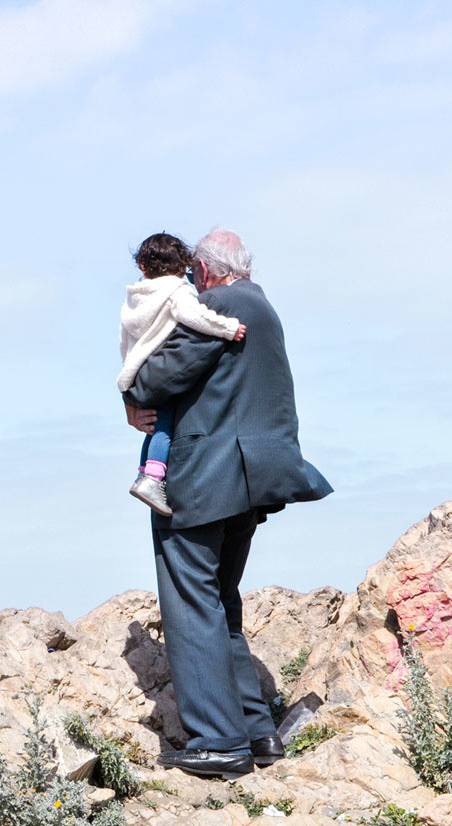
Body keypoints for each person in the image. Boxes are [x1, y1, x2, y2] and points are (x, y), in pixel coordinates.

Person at [122, 228, 332, 779]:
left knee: (191, 601)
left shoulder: (216, 305)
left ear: (207, 271)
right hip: (254, 479)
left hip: (204, 479)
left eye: (193, 274)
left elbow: (158, 377)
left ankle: (217, 742)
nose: (190, 282)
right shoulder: (263, 307)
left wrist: (129, 392)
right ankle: (255, 730)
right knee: (221, 599)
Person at [118, 232, 246, 516]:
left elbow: (124, 342)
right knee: (165, 425)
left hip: (138, 371)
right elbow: (195, 317)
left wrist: (129, 384)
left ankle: (144, 472)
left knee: (150, 429)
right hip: (162, 370)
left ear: (143, 267)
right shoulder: (177, 290)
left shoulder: (134, 299)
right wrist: (227, 327)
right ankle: (152, 478)